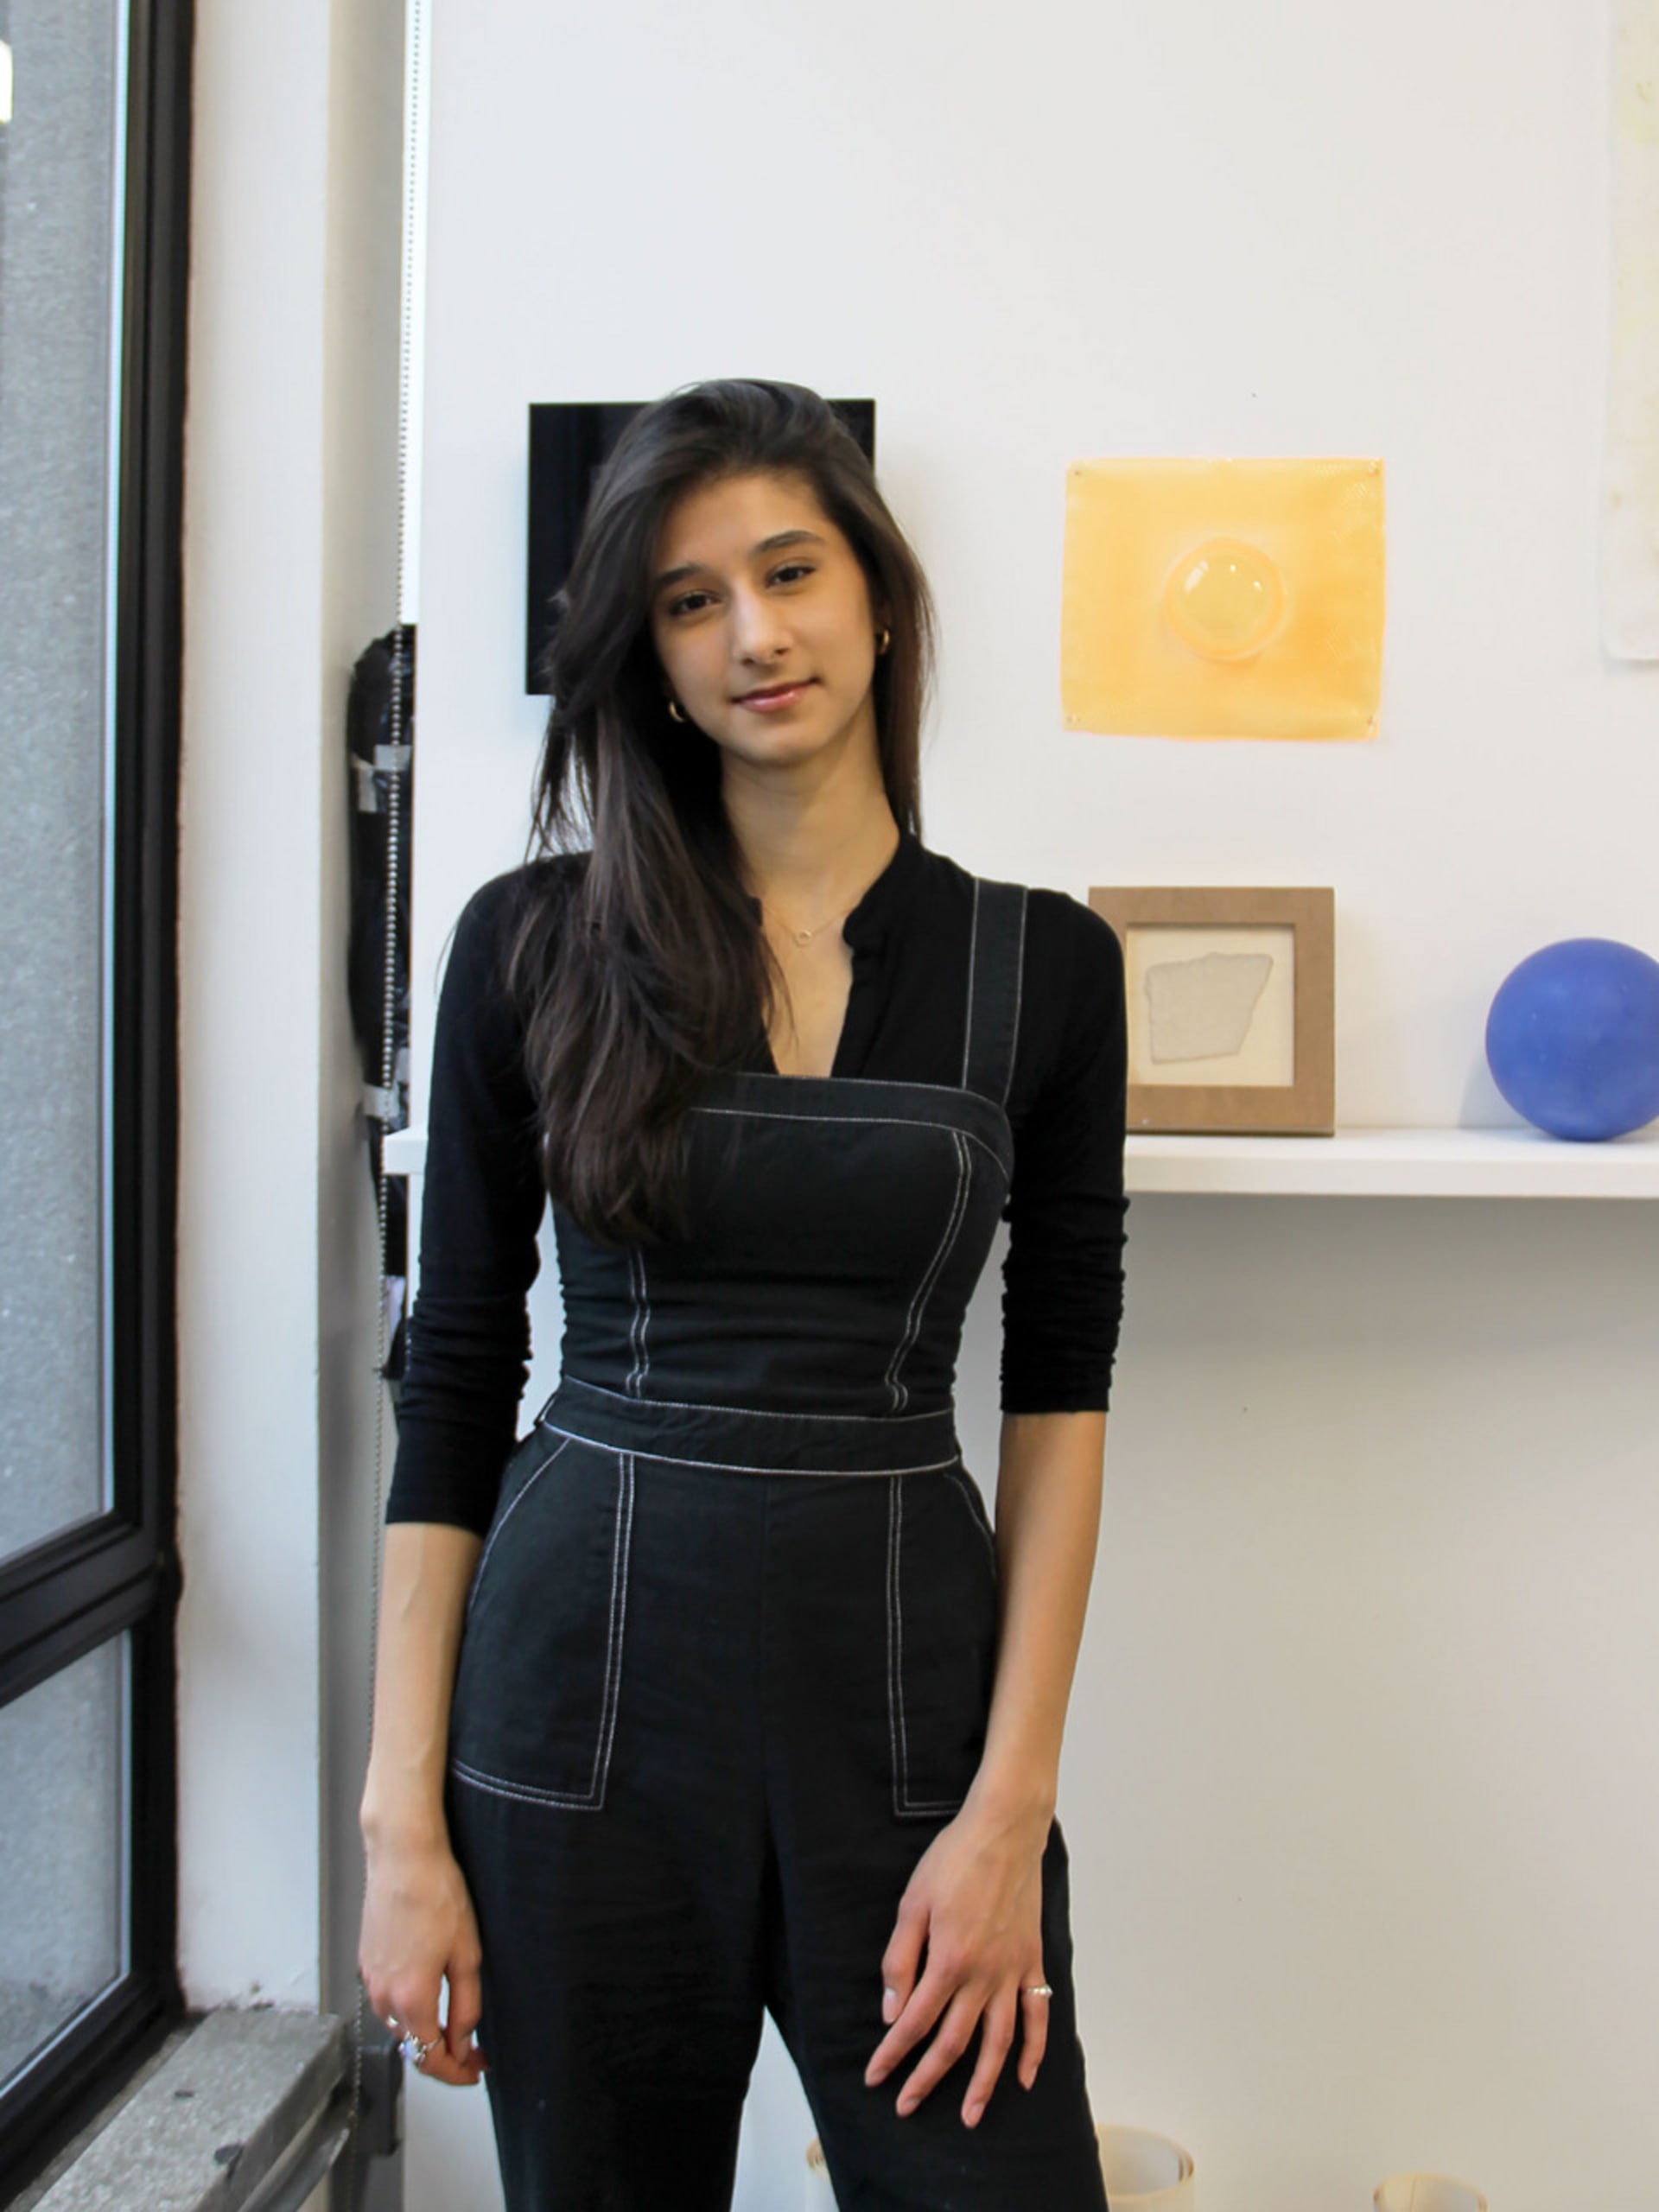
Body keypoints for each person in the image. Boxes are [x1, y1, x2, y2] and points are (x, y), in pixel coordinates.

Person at [357, 378, 1128, 2212]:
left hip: (913, 1727)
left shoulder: (1048, 965)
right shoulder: (528, 943)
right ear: (647, 649)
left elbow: (1066, 1389)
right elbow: (455, 1372)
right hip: (572, 1719)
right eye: (692, 599)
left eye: (788, 570)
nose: (754, 633)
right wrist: (402, 1818)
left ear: (879, 591)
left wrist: (1011, 1802)